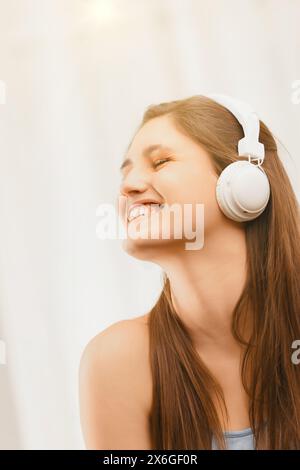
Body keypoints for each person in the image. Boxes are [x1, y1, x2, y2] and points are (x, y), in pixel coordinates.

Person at [79, 94, 300, 450]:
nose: (128, 186)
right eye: (126, 171)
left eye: (160, 161)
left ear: (242, 182)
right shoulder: (118, 362)